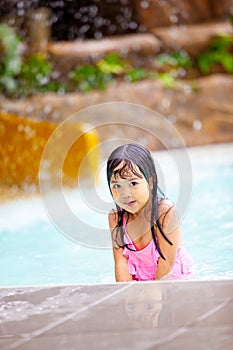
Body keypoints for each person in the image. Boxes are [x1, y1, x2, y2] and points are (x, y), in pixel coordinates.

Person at [106, 143, 193, 282]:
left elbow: (166, 265)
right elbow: (120, 264)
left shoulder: (164, 212)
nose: (125, 194)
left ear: (151, 182)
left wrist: (155, 294)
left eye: (133, 183)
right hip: (141, 282)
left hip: (174, 281)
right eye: (117, 186)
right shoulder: (115, 218)